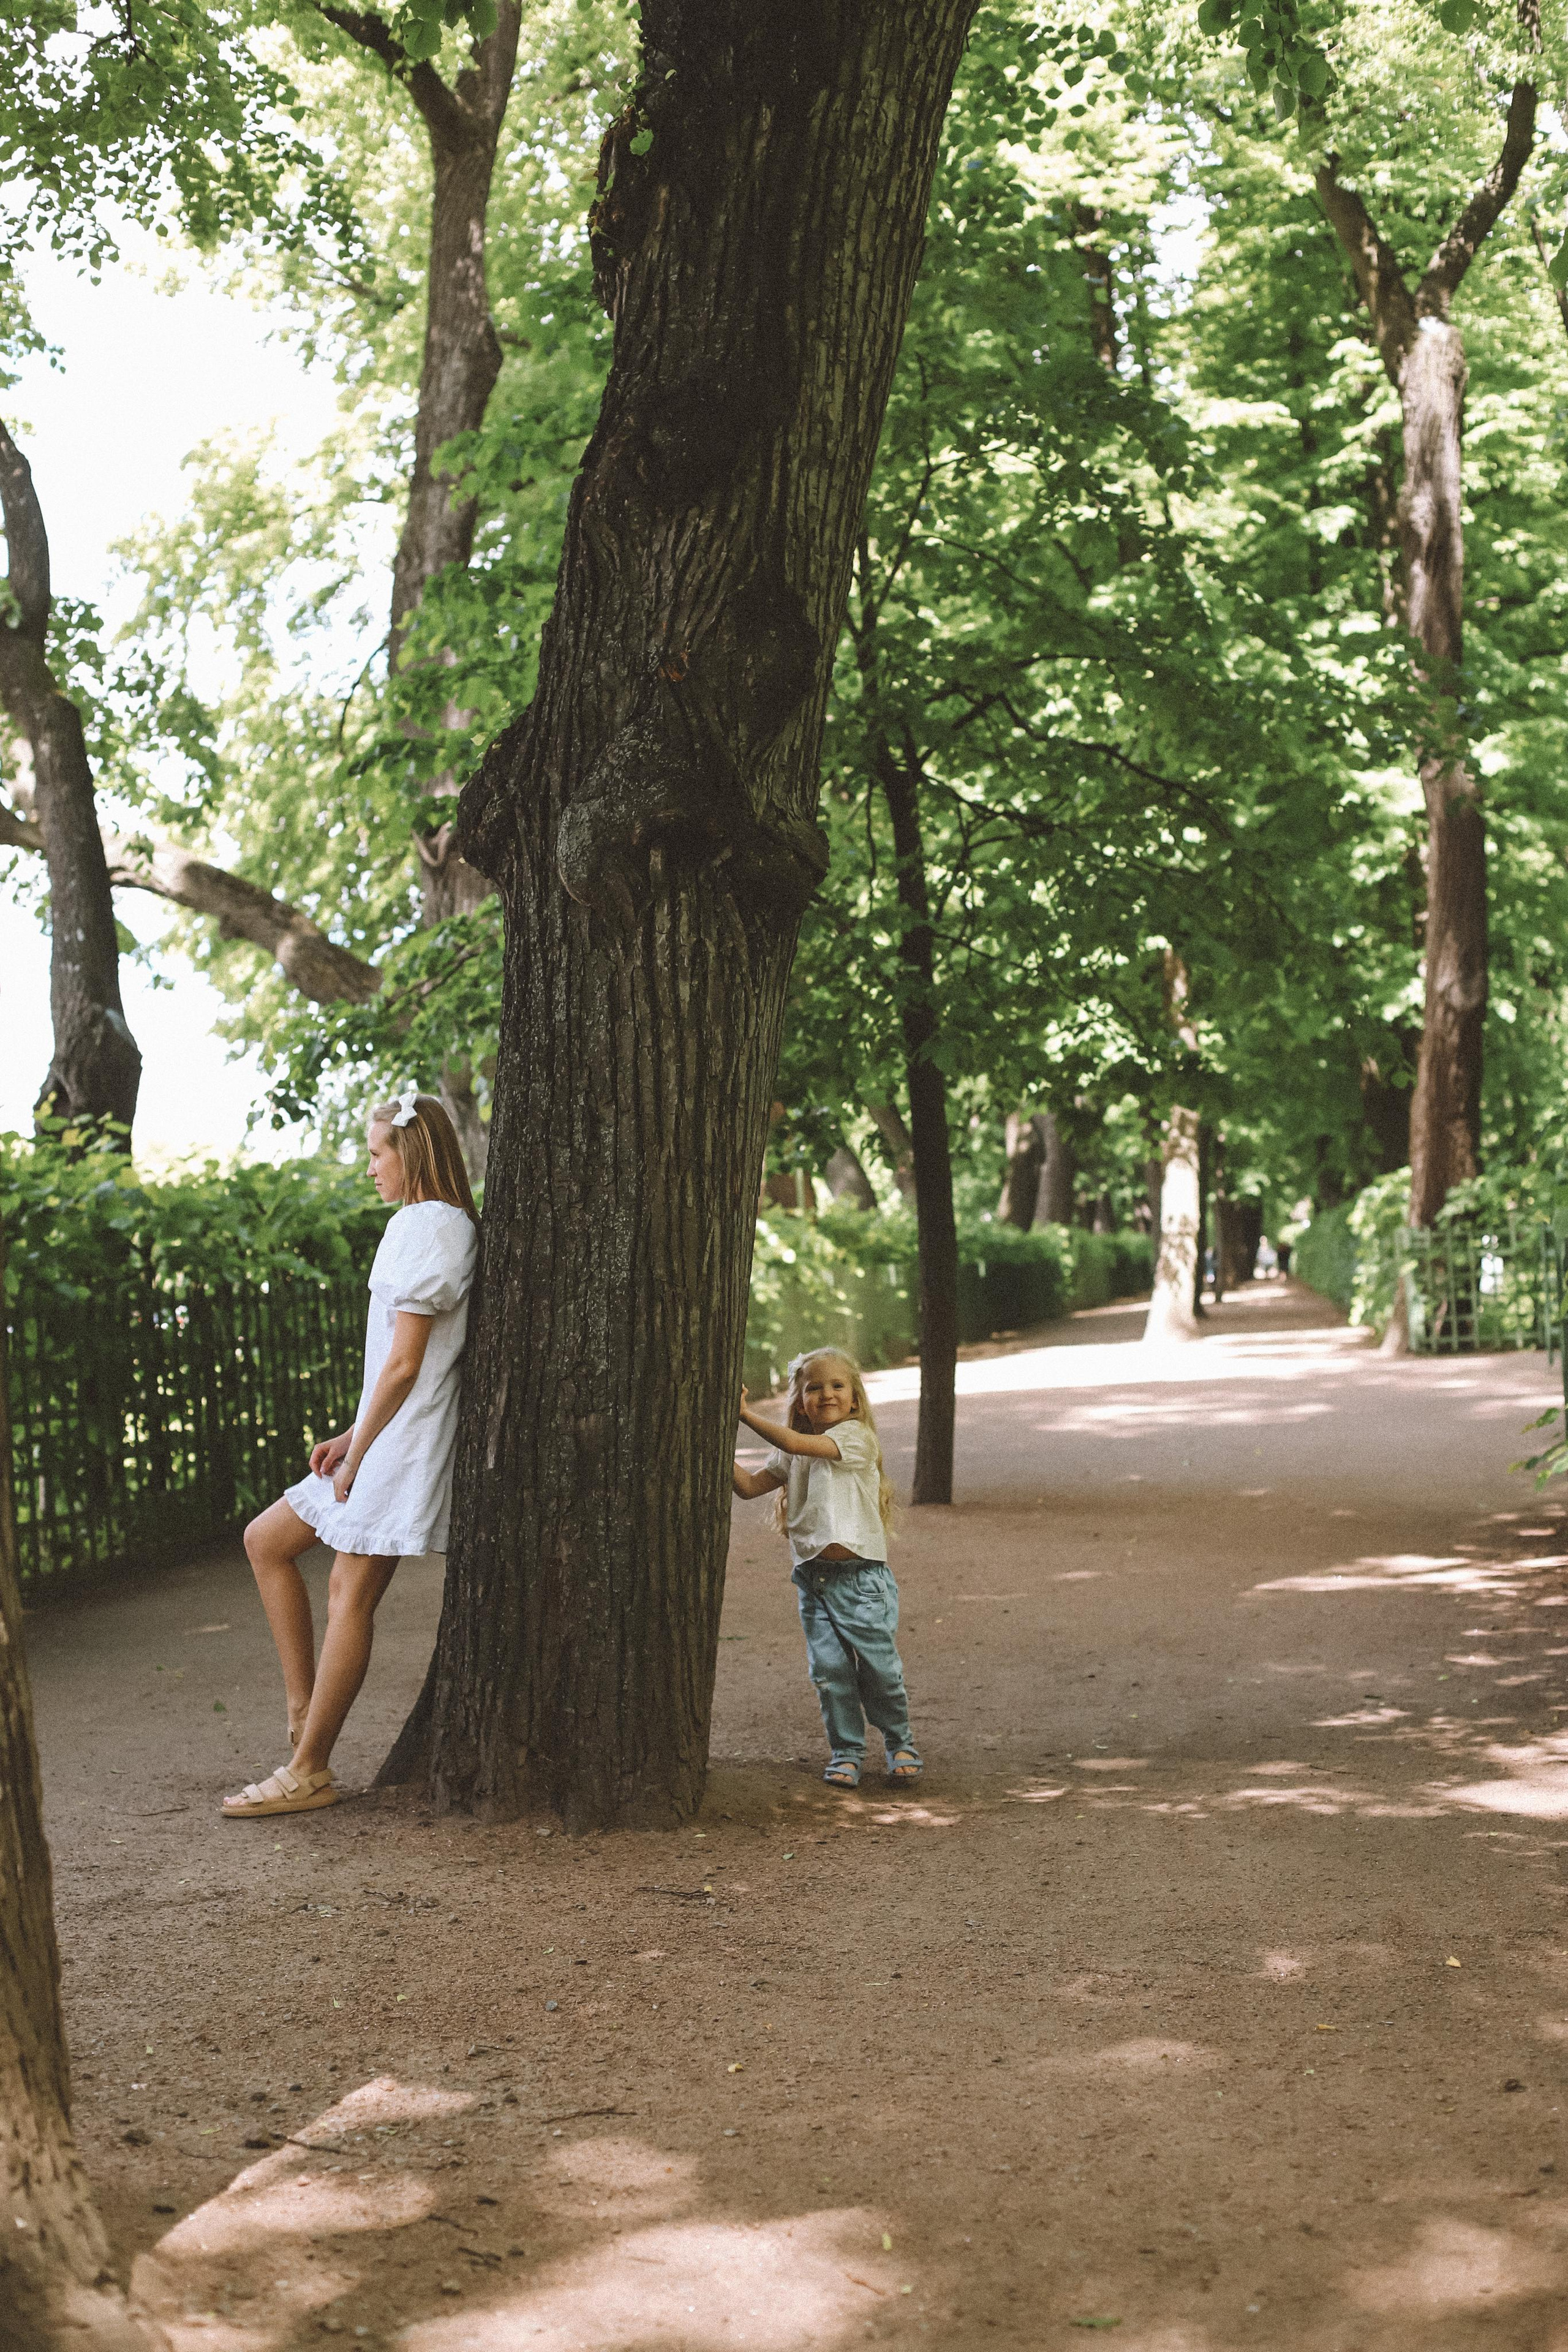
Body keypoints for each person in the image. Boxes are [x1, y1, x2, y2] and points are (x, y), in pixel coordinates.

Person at [222, 1090, 479, 1819]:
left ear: (413, 1152)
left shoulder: (430, 1227)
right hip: (384, 1432)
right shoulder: (425, 1223)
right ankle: (303, 1714)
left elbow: (407, 1365)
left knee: (348, 1593)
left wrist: (361, 1451)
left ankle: (309, 1768)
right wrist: (349, 1433)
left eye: (376, 1154)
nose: (370, 1168)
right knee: (267, 1540)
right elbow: (395, 1368)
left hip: (405, 1442)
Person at [733, 1348, 922, 1792]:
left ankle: (900, 1742)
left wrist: (743, 1415)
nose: (826, 1394)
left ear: (854, 1399)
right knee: (830, 1674)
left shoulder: (856, 1438)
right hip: (814, 1583)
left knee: (879, 1671)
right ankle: (848, 1752)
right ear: (800, 1400)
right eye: (813, 1387)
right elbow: (747, 1487)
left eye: (837, 1385)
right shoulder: (792, 1456)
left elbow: (798, 1443)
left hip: (862, 1582)